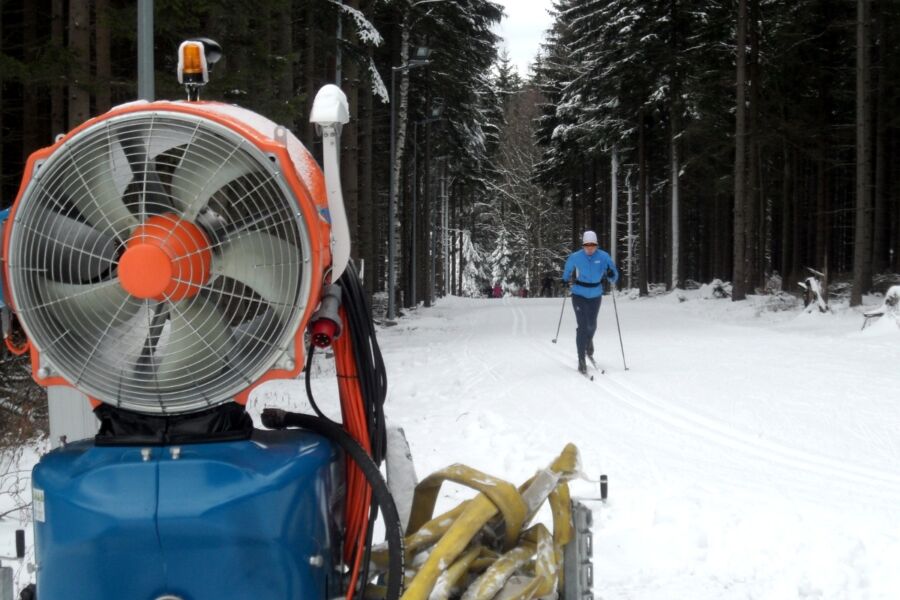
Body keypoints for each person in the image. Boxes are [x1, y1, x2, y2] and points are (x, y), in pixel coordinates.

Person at [561, 230, 619, 374]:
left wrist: (611, 275)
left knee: (591, 325)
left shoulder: (604, 257)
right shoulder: (576, 257)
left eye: (592, 245)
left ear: (596, 245)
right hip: (579, 294)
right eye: (587, 245)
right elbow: (568, 269)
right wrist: (565, 279)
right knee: (582, 326)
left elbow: (614, 275)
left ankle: (588, 343)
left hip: (596, 294)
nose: (590, 248)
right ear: (583, 245)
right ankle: (581, 359)